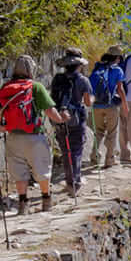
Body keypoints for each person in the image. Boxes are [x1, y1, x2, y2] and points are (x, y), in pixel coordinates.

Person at [0, 54, 68, 214]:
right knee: (42, 168)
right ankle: (46, 200)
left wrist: (1, 126)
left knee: (19, 170)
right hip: (35, 136)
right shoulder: (35, 87)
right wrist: (61, 119)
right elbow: (50, 110)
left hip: (13, 136)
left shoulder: (5, 88)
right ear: (31, 69)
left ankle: (23, 204)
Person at [48, 48, 93, 193]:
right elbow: (87, 102)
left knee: (65, 151)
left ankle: (69, 181)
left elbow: (52, 98)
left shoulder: (57, 79)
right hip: (76, 119)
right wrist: (92, 99)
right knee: (77, 150)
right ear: (79, 65)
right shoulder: (83, 80)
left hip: (59, 118)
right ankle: (75, 182)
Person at [87, 46, 126, 168]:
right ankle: (109, 159)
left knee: (98, 132)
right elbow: (120, 89)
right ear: (118, 57)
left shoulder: (98, 67)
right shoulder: (118, 70)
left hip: (96, 105)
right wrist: (125, 104)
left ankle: (94, 156)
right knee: (112, 132)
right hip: (111, 106)